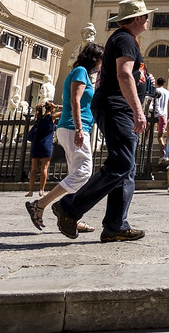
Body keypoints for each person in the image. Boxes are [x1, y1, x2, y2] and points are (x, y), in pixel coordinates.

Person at [52, 0, 152, 242]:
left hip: (117, 107)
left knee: (126, 167)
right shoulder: (125, 39)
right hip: (118, 108)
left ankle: (116, 225)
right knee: (121, 164)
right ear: (138, 18)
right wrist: (138, 111)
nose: (149, 20)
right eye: (146, 16)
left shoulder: (124, 39)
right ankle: (70, 207)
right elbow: (124, 74)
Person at [24, 42, 104, 233]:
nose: (102, 64)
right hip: (74, 128)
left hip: (73, 127)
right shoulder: (80, 72)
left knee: (77, 172)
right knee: (84, 171)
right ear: (95, 59)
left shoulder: (82, 74)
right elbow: (75, 100)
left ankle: (71, 217)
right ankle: (41, 204)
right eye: (102, 60)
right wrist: (78, 128)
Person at [25, 101, 57, 198]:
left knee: (34, 168)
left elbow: (37, 108)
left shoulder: (39, 117)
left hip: (36, 144)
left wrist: (41, 106)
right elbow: (67, 110)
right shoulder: (52, 117)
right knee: (44, 168)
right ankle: (41, 190)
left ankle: (30, 191)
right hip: (46, 145)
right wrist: (56, 106)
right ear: (52, 108)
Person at [152, 77, 169, 159]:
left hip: (154, 114)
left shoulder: (154, 91)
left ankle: (145, 146)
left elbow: (149, 102)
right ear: (164, 84)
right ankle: (162, 154)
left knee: (147, 131)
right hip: (163, 115)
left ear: (157, 83)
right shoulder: (168, 93)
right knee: (160, 136)